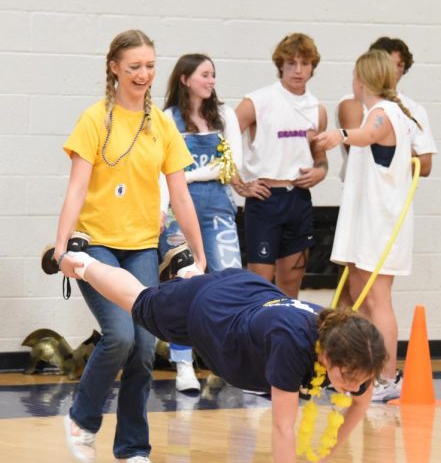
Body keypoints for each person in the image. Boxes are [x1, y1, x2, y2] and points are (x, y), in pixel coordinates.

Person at [59, 251, 386, 463]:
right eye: (347, 378)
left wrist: (324, 456)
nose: (350, 387)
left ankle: (188, 275)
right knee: (141, 304)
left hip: (245, 288)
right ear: (328, 355)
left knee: (171, 296)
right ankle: (84, 264)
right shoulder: (292, 343)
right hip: (216, 315)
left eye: (361, 379)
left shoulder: (357, 351)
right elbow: (283, 428)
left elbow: (359, 402)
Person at [51, 29, 206, 463]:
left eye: (150, 66)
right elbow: (77, 187)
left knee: (143, 346)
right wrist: (62, 247)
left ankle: (131, 449)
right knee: (119, 335)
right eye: (134, 65)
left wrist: (198, 253)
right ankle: (81, 419)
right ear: (114, 67)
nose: (143, 74)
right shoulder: (94, 119)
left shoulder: (161, 124)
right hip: (96, 244)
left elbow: (179, 194)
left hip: (141, 246)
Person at [313, 49, 422, 403]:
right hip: (366, 222)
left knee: (377, 301)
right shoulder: (384, 111)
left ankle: (388, 378)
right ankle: (360, 370)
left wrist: (339, 135)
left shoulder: (384, 113)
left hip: (380, 224)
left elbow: (365, 135)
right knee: (360, 299)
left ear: (363, 79)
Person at [157, 53, 243, 393]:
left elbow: (230, 166)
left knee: (229, 280)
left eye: (213, 75)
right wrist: (162, 208)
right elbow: (162, 172)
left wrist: (187, 176)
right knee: (183, 282)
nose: (211, 81)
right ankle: (183, 365)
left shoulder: (225, 115)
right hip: (179, 210)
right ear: (185, 79)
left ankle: (232, 359)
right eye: (205, 75)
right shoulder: (167, 118)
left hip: (219, 207)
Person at [234, 33, 327, 299]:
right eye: (291, 64)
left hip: (298, 199)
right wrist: (239, 183)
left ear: (312, 67)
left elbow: (320, 157)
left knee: (290, 284)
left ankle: (285, 338)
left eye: (305, 64)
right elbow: (222, 140)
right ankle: (254, 338)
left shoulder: (316, 109)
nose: (298, 71)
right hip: (265, 199)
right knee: (259, 285)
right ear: (280, 66)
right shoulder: (257, 101)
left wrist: (320, 172)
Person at [336, 37, 437, 178]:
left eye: (400, 65)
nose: (394, 70)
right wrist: (407, 152)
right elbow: (358, 151)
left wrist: (341, 135)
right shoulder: (354, 102)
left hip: (396, 195)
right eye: (389, 63)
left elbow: (425, 166)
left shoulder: (413, 109)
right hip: (362, 193)